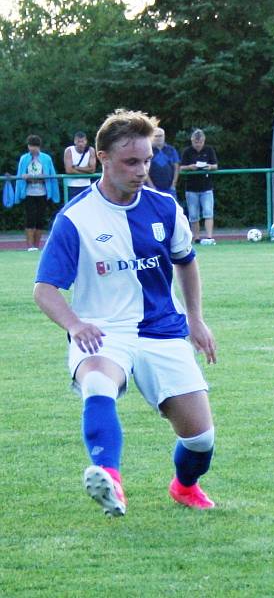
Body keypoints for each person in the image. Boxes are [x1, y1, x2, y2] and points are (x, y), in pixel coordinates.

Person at [33, 109, 219, 516]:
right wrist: (75, 324)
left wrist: (196, 318)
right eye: (131, 162)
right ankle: (109, 478)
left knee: (201, 441)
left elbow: (186, 260)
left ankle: (184, 486)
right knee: (98, 383)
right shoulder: (76, 219)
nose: (141, 170)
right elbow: (45, 289)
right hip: (103, 331)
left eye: (147, 160)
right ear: (103, 158)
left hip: (161, 331)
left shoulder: (165, 208)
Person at [15, 135, 61, 251]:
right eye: (30, 146)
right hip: (29, 192)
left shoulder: (46, 158)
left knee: (40, 219)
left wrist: (42, 177)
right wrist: (25, 178)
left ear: (38, 147)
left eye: (34, 146)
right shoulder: (24, 158)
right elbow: (20, 175)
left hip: (42, 192)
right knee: (30, 218)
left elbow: (51, 175)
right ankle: (30, 246)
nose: (32, 149)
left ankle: (37, 246)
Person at [180, 129, 218, 245]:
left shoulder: (209, 150)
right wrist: (190, 167)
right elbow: (181, 167)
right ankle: (196, 238)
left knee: (208, 212)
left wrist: (209, 167)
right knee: (193, 215)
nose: (198, 144)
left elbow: (215, 165)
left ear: (203, 141)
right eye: (196, 142)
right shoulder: (187, 151)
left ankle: (209, 237)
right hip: (191, 188)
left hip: (206, 187)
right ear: (192, 141)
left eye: (200, 142)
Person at [146, 127, 180, 198]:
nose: (159, 138)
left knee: (172, 208)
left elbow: (176, 168)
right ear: (151, 137)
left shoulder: (171, 150)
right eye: (156, 136)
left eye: (161, 136)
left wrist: (173, 185)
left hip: (170, 188)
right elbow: (144, 169)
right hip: (152, 188)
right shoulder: (147, 150)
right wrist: (151, 186)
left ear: (164, 136)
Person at [64, 131, 97, 200]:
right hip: (72, 186)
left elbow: (92, 170)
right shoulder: (69, 150)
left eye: (82, 141)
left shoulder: (91, 150)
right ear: (75, 141)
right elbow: (69, 170)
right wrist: (86, 171)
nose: (81, 144)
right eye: (79, 141)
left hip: (87, 185)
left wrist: (76, 167)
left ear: (86, 141)